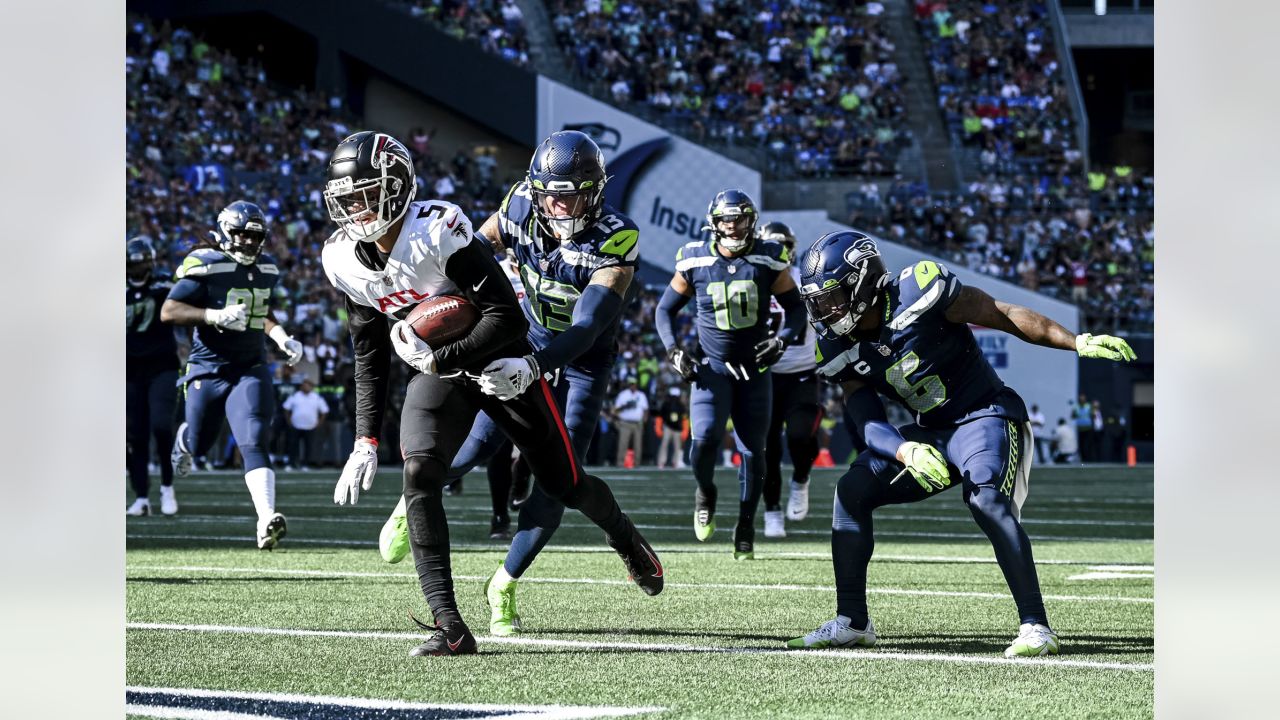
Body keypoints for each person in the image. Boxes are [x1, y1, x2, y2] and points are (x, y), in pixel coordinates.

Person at [320, 131, 662, 657]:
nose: (556, 204)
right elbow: (472, 265)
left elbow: (586, 325)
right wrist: (367, 438)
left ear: (594, 191)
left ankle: (622, 535)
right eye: (549, 191)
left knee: (564, 483)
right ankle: (450, 626)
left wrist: (532, 364)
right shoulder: (517, 206)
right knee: (425, 466)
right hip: (469, 350)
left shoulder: (615, 237)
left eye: (570, 194)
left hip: (544, 349)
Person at [786, 231, 1135, 658]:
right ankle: (853, 621)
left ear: (863, 283)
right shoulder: (836, 345)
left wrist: (1075, 341)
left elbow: (1003, 314)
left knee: (986, 500)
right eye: (817, 301)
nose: (824, 310)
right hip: (931, 431)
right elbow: (866, 418)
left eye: (832, 297)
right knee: (850, 492)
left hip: (984, 414)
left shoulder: (921, 289)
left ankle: (1036, 626)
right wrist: (904, 450)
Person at [655, 189, 808, 559]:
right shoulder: (694, 259)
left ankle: (745, 525)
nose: (734, 226)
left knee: (754, 452)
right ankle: (705, 490)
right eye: (727, 219)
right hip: (713, 369)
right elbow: (664, 311)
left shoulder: (770, 258)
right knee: (704, 439)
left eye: (740, 218)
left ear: (751, 220)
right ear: (714, 222)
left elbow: (797, 309)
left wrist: (783, 340)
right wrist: (674, 350)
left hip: (755, 371)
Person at [162, 201, 305, 549]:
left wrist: (280, 335)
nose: (247, 241)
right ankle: (183, 442)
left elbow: (261, 310)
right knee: (201, 443)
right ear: (226, 231)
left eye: (254, 235)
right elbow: (169, 310)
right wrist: (213, 316)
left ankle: (266, 517)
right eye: (241, 233)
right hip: (208, 368)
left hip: (250, 366)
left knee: (254, 438)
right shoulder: (206, 264)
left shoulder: (267, 268)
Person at [759, 221, 822, 538]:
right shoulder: (754, 279)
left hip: (802, 372)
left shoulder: (806, 281)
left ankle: (801, 477)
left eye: (784, 243)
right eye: (774, 243)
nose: (780, 249)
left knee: (800, 436)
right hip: (764, 376)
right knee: (767, 447)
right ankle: (772, 511)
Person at [126, 237, 180, 516]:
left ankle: (167, 487)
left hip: (162, 366)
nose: (140, 269)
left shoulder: (163, 286)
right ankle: (142, 496)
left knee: (161, 426)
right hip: (128, 370)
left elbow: (183, 301)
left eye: (143, 263)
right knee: (134, 435)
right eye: (135, 264)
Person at [282, 378, 329, 471]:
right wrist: (289, 421)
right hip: (296, 425)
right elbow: (286, 408)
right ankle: (291, 464)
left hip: (310, 426)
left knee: (308, 446)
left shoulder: (317, 397)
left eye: (308, 385)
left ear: (311, 387)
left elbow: (324, 411)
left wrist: (319, 423)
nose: (306, 387)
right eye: (304, 385)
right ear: (301, 387)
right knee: (293, 445)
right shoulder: (295, 396)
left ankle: (305, 465)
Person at [613, 377, 648, 466]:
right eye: (631, 384)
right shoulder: (623, 395)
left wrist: (644, 420)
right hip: (625, 422)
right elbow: (615, 410)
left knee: (638, 445)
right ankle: (620, 463)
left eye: (634, 384)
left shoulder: (641, 395)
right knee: (623, 443)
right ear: (629, 385)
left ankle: (637, 463)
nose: (633, 386)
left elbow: (645, 409)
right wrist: (625, 406)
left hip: (637, 423)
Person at [656, 387, 687, 469]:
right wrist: (658, 428)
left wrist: (685, 430)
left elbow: (684, 419)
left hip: (677, 428)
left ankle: (675, 462)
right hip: (667, 427)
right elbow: (660, 417)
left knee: (677, 446)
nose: (674, 399)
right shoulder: (665, 405)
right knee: (664, 444)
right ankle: (662, 462)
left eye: (675, 397)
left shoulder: (681, 406)